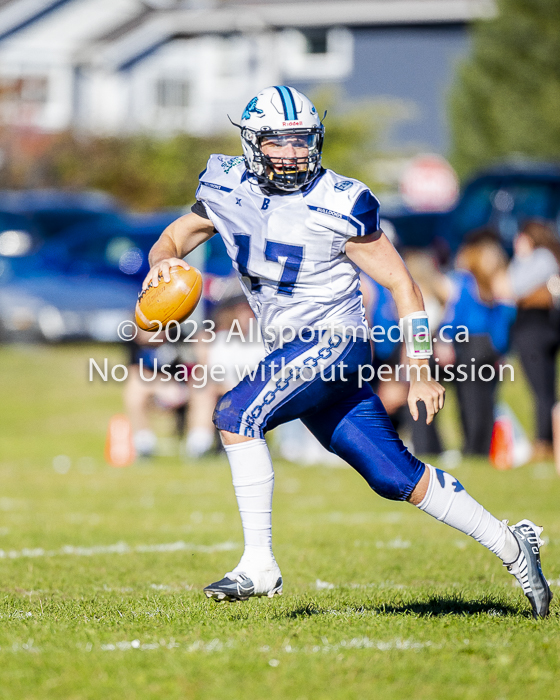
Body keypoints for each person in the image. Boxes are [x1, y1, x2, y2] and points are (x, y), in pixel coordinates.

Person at [144, 87, 551, 617]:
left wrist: (421, 368)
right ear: (252, 144)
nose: (292, 153)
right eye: (279, 142)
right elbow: (172, 239)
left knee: (235, 411)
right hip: (293, 351)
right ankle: (513, 544)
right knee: (395, 476)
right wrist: (161, 263)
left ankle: (259, 563)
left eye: (301, 141)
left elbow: (406, 287)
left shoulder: (338, 201)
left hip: (337, 342)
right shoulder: (225, 186)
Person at [440, 230, 516, 456]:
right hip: (489, 347)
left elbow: (455, 315)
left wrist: (444, 338)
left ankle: (472, 448)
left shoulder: (466, 282)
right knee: (486, 399)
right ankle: (483, 448)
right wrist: (501, 351)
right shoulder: (495, 286)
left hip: (470, 344)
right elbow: (502, 323)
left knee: (469, 399)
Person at [509, 219, 560, 460]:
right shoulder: (547, 257)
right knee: (546, 388)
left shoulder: (540, 257)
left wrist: (521, 258)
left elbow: (514, 287)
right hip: (543, 329)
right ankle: (547, 439)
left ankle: (544, 442)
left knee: (541, 390)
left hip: (534, 330)